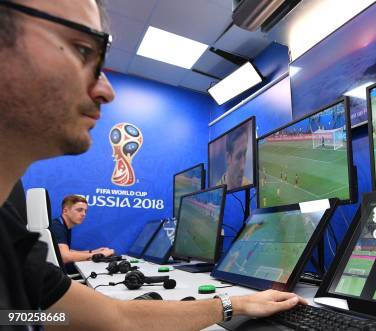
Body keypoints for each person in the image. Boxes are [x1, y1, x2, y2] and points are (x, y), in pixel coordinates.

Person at [0, 1, 305, 329]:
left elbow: (112, 317)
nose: (106, 91)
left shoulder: (8, 228)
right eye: (81, 50)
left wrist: (234, 304)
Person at [50, 195, 114, 273]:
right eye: (79, 210)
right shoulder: (57, 227)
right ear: (65, 211)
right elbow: (65, 256)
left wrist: (93, 252)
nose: (83, 214)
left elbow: (66, 251)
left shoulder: (63, 225)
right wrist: (100, 254)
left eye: (85, 211)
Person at [216, 124, 251, 190]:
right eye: (238, 157)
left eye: (245, 154)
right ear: (228, 158)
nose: (242, 167)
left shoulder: (248, 184)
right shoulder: (217, 190)